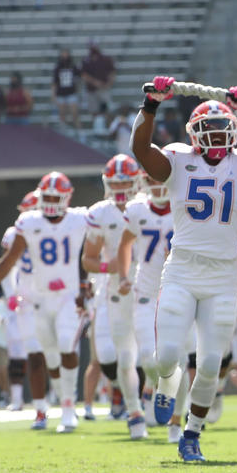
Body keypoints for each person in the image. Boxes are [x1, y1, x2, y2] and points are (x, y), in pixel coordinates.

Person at [131, 75, 237, 461]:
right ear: (194, 133)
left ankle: (192, 434)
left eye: (221, 129)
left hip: (223, 274)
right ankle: (166, 381)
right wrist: (151, 105)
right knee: (165, 357)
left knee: (211, 364)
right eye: (207, 130)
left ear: (233, 131)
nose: (214, 137)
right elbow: (140, 149)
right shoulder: (180, 159)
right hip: (182, 267)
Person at [0, 173, 86, 432]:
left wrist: (87, 282)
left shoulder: (80, 218)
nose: (50, 203)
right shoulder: (28, 224)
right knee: (45, 356)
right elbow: (10, 260)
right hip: (36, 298)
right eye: (47, 197)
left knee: (67, 344)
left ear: (67, 198)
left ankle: (68, 407)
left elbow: (98, 242)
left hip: (66, 296)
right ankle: (45, 407)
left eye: (56, 197)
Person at [81, 155, 147, 438]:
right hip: (114, 288)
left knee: (149, 353)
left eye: (126, 183)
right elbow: (89, 260)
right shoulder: (101, 213)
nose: (121, 189)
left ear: (138, 181)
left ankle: (146, 404)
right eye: (116, 183)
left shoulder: (149, 205)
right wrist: (114, 268)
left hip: (149, 283)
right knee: (112, 356)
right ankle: (129, 400)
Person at [114, 175, 174, 438]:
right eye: (151, 179)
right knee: (147, 357)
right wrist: (124, 276)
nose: (158, 184)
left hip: (176, 292)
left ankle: (175, 421)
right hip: (146, 292)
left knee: (172, 357)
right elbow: (125, 243)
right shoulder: (137, 209)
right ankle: (151, 387)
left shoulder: (185, 204)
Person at [0, 192, 51, 425]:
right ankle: (40, 407)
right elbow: (7, 265)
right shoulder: (15, 233)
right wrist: (11, 293)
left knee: (56, 352)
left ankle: (62, 397)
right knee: (32, 353)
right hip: (27, 299)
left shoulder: (53, 228)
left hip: (52, 297)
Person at [81, 41, 115, 114]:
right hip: (92, 90)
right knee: (94, 111)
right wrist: (95, 82)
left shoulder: (105, 59)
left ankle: (107, 124)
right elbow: (84, 75)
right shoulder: (86, 60)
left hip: (104, 88)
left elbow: (112, 72)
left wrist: (109, 83)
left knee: (107, 110)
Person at [52, 49, 80, 131]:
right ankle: (63, 130)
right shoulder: (58, 67)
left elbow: (78, 78)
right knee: (62, 113)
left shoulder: (73, 66)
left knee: (74, 113)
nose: (64, 55)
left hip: (71, 92)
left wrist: (77, 90)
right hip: (61, 93)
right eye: (63, 54)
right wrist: (53, 95)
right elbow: (54, 82)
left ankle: (79, 131)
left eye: (66, 53)